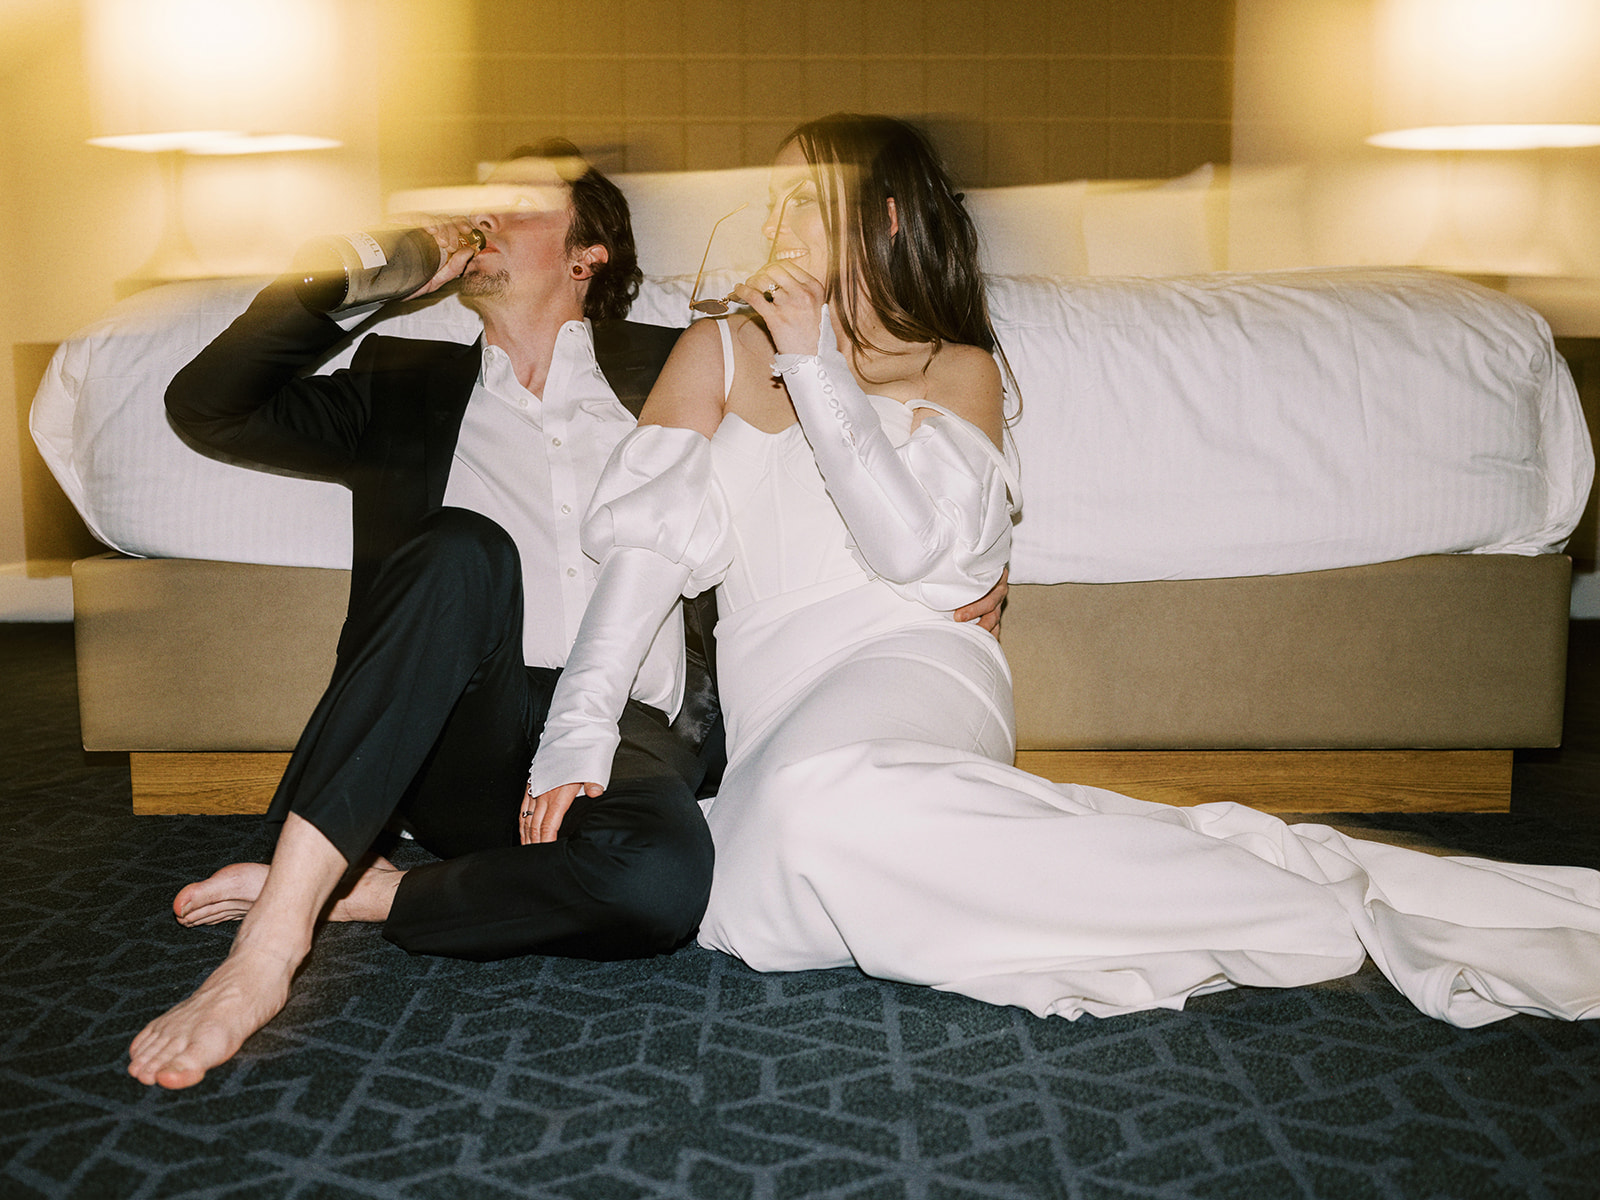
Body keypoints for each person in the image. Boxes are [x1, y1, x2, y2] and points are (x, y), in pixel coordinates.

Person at [526, 113, 1600, 1028]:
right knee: (755, 889)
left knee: (811, 818)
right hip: (781, 681)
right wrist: (572, 737)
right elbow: (645, 553)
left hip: (910, 659)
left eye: (803, 202)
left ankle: (1279, 898)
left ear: (884, 217)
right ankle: (1160, 869)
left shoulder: (958, 367)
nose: (774, 227)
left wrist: (815, 366)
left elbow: (916, 559)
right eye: (772, 206)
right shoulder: (711, 347)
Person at [128, 140, 1008, 1091]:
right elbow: (207, 405)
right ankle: (268, 944)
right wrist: (377, 260)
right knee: (467, 548)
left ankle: (375, 894)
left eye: (515, 205)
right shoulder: (397, 384)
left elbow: (814, 477)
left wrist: (950, 578)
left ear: (589, 254)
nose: (484, 220)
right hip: (459, 724)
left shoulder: (682, 359)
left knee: (663, 887)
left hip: (631, 737)